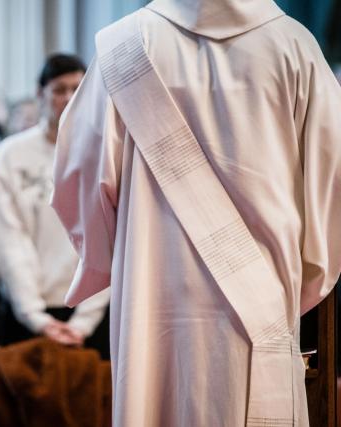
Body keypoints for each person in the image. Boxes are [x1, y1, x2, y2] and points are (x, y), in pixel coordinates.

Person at [51, 1, 341, 426]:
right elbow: (331, 185)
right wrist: (303, 283)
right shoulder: (293, 44)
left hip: (152, 301)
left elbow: (78, 181)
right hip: (263, 304)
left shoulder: (126, 44)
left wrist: (110, 252)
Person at [0, 54, 110, 358]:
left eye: (77, 89)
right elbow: (10, 239)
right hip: (26, 311)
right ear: (40, 93)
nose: (69, 98)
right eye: (59, 90)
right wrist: (35, 316)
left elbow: (109, 240)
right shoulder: (11, 154)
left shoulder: (104, 152)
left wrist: (84, 322)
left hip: (91, 311)